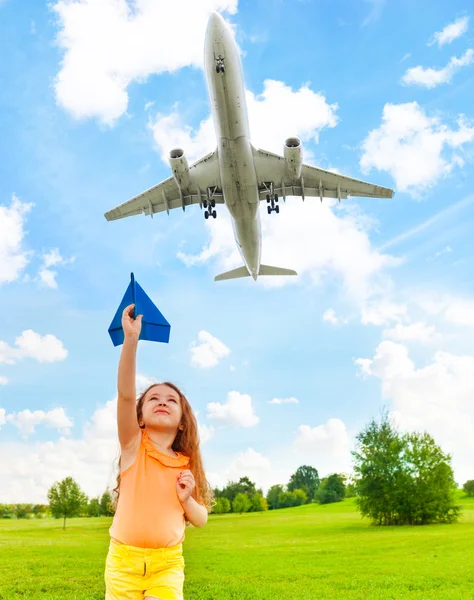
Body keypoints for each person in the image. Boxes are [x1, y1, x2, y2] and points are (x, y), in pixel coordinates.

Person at [104, 304, 213, 600]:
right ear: (140, 417)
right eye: (153, 398)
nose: (162, 401)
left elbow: (201, 519)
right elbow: (126, 395)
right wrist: (131, 340)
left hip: (167, 564)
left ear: (181, 423)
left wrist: (186, 498)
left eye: (171, 400)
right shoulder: (133, 444)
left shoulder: (186, 465)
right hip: (123, 564)